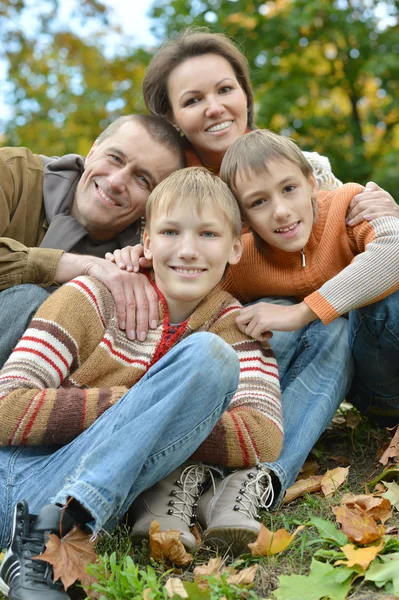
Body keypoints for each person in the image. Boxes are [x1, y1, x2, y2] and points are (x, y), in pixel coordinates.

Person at [106, 28, 399, 543]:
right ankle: (211, 471)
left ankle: (246, 474)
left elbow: (371, 243)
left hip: (346, 345)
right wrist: (136, 256)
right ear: (173, 118)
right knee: (263, 314)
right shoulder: (173, 191)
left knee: (333, 315)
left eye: (226, 89)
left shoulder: (311, 176)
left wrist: (380, 223)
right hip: (239, 347)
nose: (215, 108)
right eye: (194, 100)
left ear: (245, 93)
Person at [0, 167, 283, 598]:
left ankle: (50, 537)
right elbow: (5, 406)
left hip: (87, 499)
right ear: (146, 241)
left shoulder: (237, 326)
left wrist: (155, 413)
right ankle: (48, 534)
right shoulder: (93, 297)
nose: (188, 250)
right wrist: (140, 407)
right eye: (171, 232)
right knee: (205, 359)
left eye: (208, 235)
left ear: (234, 247)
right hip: (19, 478)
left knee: (210, 357)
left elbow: (263, 436)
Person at [220, 128, 399, 429]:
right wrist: (140, 258)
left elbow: (394, 248)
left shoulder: (348, 205)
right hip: (373, 390)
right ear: (243, 218)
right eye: (258, 202)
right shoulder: (242, 260)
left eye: (289, 188)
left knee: (381, 291)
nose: (280, 211)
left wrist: (301, 312)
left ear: (311, 183)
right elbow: (194, 298)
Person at [0, 114, 186, 368]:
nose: (116, 181)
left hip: (49, 386)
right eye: (115, 158)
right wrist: (81, 265)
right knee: (30, 299)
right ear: (92, 152)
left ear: (153, 205)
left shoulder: (143, 258)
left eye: (143, 179)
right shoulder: (12, 172)